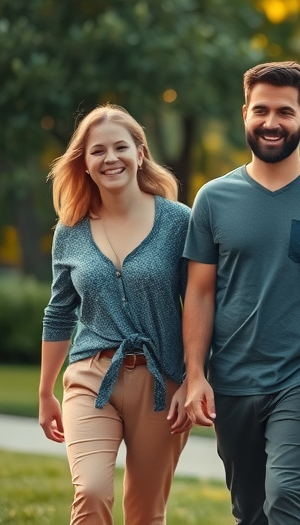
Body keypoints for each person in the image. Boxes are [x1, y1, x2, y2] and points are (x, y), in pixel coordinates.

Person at [182, 61, 300, 525]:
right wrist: (196, 373)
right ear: (245, 113)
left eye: (284, 112)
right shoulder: (213, 199)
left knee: (285, 492)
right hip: (232, 377)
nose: (270, 122)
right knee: (250, 509)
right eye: (260, 110)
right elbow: (200, 294)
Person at [39, 104, 191, 524]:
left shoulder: (179, 222)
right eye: (97, 151)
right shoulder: (69, 230)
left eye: (120, 147)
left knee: (145, 512)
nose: (110, 159)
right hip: (91, 376)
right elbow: (59, 313)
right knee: (90, 491)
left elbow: (198, 306)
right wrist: (45, 391)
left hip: (163, 382)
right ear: (84, 164)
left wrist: (195, 380)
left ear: (140, 153)